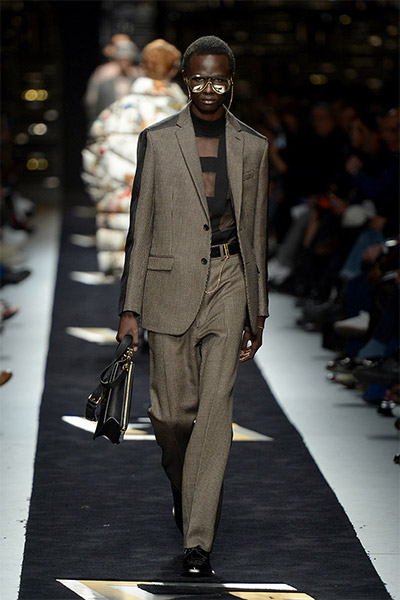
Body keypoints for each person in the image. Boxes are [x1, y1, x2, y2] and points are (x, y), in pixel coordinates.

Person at [117, 35, 269, 577]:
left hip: (229, 279)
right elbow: (141, 225)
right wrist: (129, 307)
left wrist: (258, 309)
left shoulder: (254, 146)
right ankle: (186, 487)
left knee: (215, 410)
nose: (208, 88)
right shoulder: (158, 141)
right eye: (199, 78)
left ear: (231, 82)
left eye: (218, 79)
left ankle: (198, 539)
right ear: (186, 80)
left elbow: (256, 231)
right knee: (170, 415)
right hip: (169, 283)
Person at [82, 39, 186, 275]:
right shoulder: (186, 114)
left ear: (144, 67)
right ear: (174, 70)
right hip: (169, 217)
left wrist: (104, 198)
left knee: (123, 282)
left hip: (120, 213)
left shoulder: (117, 109)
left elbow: (93, 158)